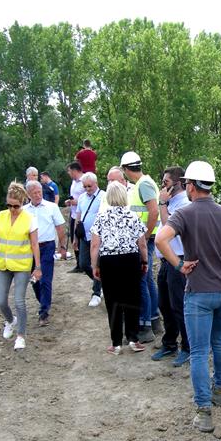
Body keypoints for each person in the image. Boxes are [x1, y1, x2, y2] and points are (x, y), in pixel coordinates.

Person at [156, 161, 221, 433]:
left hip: (199, 293)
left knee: (200, 351)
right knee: (219, 342)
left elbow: (160, 240)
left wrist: (179, 266)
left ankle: (204, 411)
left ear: (190, 186)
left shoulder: (185, 214)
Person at [90, 182, 148, 354]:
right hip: (130, 260)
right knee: (132, 299)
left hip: (109, 262)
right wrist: (144, 261)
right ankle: (133, 339)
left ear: (108, 197)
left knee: (113, 301)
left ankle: (116, 344)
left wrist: (95, 265)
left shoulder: (101, 217)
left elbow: (94, 245)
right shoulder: (133, 216)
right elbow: (142, 244)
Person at [0, 182, 42, 351]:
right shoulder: (1, 216)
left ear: (22, 203)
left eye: (16, 206)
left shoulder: (29, 219)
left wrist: (38, 266)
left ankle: (21, 335)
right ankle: (10, 320)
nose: (12, 209)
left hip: (21, 265)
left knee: (19, 301)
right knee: (0, 301)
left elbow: (35, 244)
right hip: (3, 264)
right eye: (9, 205)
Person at [152, 166, 192, 367]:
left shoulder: (183, 204)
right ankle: (169, 343)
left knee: (179, 305)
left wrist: (161, 203)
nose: (162, 186)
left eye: (166, 182)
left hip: (178, 259)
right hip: (167, 261)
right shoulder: (170, 203)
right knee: (164, 304)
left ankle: (187, 346)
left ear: (178, 183)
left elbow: (170, 229)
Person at [120, 151, 161, 342]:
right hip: (146, 237)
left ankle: (145, 326)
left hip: (146, 238)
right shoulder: (144, 183)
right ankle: (153, 320)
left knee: (141, 280)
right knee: (147, 281)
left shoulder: (143, 184)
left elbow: (153, 211)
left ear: (127, 169)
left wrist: (143, 236)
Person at [24, 180, 68, 327]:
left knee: (45, 279)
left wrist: (62, 246)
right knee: (34, 280)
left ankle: (44, 311)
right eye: (34, 193)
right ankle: (43, 301)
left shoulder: (51, 207)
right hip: (30, 248)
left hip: (47, 246)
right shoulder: (24, 211)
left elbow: (60, 227)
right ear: (28, 194)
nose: (37, 195)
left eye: (39, 192)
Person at [75, 172, 105, 307]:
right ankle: (102, 283)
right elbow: (78, 216)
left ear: (96, 184)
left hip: (99, 237)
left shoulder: (103, 197)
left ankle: (96, 293)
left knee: (97, 264)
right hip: (84, 236)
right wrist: (75, 236)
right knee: (83, 263)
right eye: (85, 186)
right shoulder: (82, 198)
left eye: (89, 186)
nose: (87, 189)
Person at [65, 161, 85, 273]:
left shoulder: (84, 181)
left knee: (81, 239)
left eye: (69, 171)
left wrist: (75, 202)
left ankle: (83, 263)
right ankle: (79, 263)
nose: (69, 173)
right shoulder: (73, 182)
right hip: (73, 214)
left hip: (82, 215)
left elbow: (86, 197)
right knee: (74, 239)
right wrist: (70, 201)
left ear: (74, 170)